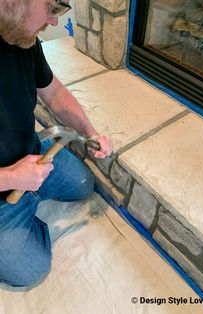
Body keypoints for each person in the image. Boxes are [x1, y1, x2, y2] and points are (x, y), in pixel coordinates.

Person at [0, 0, 113, 288]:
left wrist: (89, 132)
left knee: (82, 184)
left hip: (31, 153)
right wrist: (12, 177)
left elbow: (54, 92)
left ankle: (30, 198)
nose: (54, 22)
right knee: (29, 270)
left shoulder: (22, 38)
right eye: (53, 8)